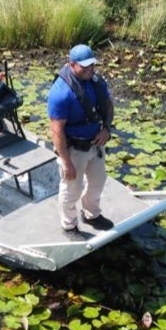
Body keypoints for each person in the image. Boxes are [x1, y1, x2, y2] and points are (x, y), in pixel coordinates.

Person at [47, 44, 115, 238]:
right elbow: (57, 130)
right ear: (71, 64)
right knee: (71, 189)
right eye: (84, 67)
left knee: (98, 181)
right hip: (73, 148)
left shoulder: (97, 82)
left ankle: (91, 214)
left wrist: (106, 129)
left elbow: (108, 106)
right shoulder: (60, 93)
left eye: (92, 65)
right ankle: (69, 224)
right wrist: (66, 161)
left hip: (95, 144)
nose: (89, 70)